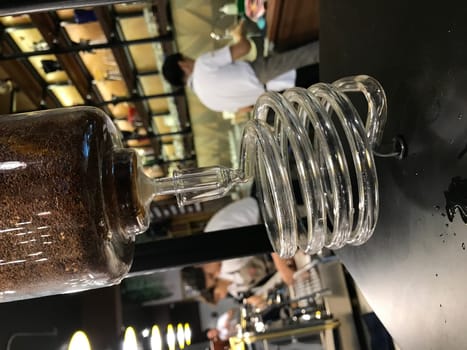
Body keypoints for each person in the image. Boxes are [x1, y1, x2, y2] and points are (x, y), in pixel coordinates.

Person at [162, 19, 319, 113]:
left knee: (320, 78)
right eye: (188, 58)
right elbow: (245, 48)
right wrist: (238, 34)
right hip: (265, 72)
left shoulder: (207, 102)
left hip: (278, 94)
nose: (192, 60)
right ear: (183, 65)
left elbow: (245, 109)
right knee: (309, 54)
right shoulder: (202, 66)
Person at [181, 198, 296, 306]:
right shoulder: (214, 251)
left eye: (211, 275)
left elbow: (266, 237)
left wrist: (282, 268)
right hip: (272, 219)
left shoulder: (217, 244)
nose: (217, 275)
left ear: (199, 264)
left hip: (272, 208)